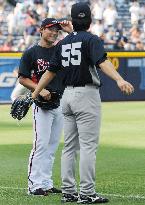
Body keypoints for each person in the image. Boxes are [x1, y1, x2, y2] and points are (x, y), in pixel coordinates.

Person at [31, 3, 134, 203]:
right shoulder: (91, 39)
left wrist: (35, 92)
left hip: (66, 97)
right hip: (86, 95)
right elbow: (102, 61)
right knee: (88, 147)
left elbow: (50, 72)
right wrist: (119, 79)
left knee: (69, 147)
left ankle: (69, 192)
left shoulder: (62, 43)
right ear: (90, 20)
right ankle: (87, 193)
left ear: (71, 20)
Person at [18, 18, 73, 196]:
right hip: (42, 105)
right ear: (41, 30)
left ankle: (46, 182)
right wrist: (39, 90)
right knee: (41, 145)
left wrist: (69, 30)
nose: (54, 32)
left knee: (52, 145)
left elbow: (79, 42)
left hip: (60, 102)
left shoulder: (61, 49)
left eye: (56, 30)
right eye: (50, 29)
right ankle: (34, 185)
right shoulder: (31, 53)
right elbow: (23, 78)